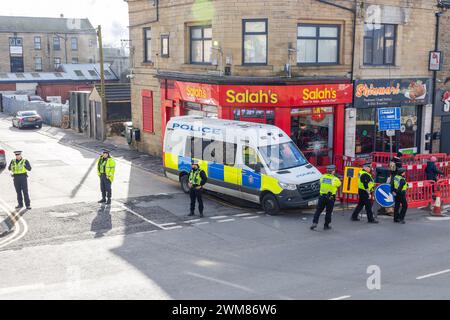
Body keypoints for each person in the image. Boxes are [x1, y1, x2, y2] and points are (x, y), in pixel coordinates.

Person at [311, 165, 342, 231]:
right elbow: (339, 184)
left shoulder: (322, 177)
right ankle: (326, 225)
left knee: (318, 211)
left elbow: (320, 183)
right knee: (328, 212)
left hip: (322, 196)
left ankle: (314, 223)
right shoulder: (335, 179)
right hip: (330, 198)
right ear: (333, 171)